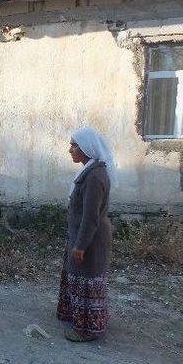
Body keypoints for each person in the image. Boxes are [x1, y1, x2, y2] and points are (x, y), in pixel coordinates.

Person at [56, 126, 115, 342]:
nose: (70, 150)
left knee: (86, 280)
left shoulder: (94, 177)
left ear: (87, 148)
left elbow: (91, 217)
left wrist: (80, 246)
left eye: (74, 145)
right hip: (82, 236)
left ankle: (87, 330)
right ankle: (79, 319)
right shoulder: (89, 171)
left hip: (90, 240)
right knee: (79, 278)